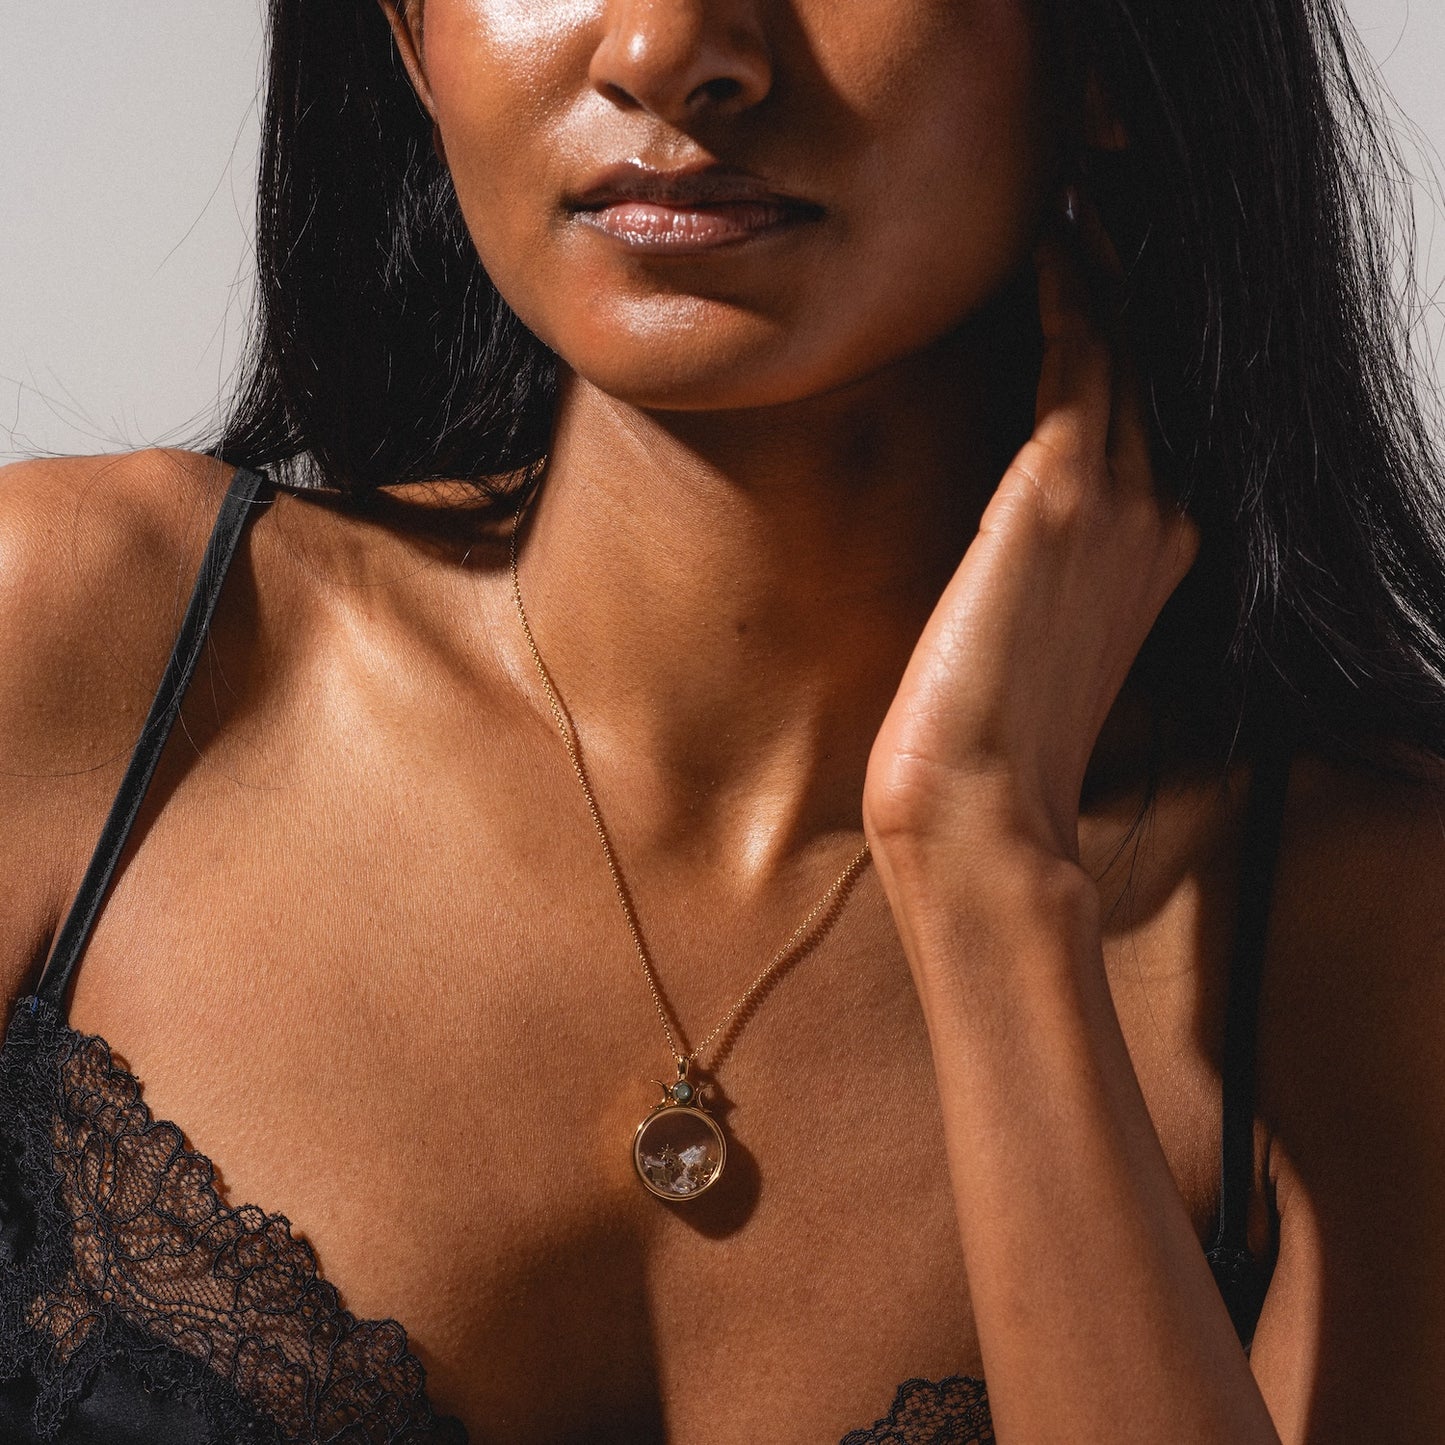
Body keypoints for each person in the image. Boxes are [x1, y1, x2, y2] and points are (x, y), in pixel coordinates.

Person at [2, 0, 1444, 1440]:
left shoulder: (1363, 927)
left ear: (1111, 57)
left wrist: (989, 865)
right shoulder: (76, 652)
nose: (664, 48)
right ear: (406, 34)